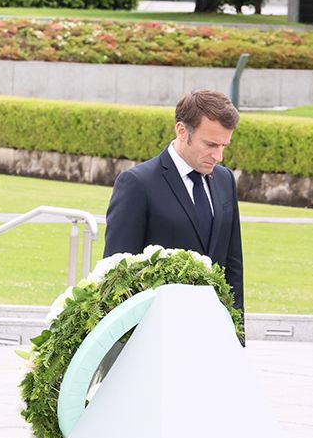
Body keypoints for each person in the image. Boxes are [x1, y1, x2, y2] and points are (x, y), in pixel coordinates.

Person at [104, 89, 244, 313]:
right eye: (210, 145)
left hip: (214, 331)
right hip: (157, 332)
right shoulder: (137, 184)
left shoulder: (225, 180)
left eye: (223, 146)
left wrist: (237, 337)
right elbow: (117, 275)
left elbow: (233, 265)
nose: (219, 157)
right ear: (181, 130)